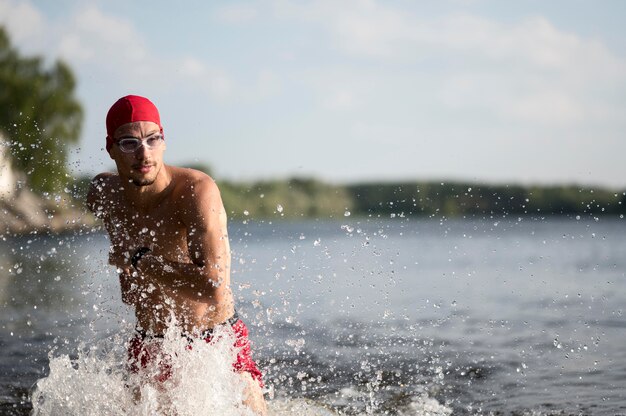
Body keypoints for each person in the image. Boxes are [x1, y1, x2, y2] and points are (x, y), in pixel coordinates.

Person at [86, 95, 267, 415]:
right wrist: (127, 273)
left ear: (164, 141)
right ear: (110, 148)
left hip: (213, 345)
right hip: (148, 344)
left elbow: (213, 289)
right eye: (129, 143)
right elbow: (123, 265)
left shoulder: (196, 192)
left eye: (152, 139)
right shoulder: (104, 193)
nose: (144, 152)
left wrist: (139, 260)